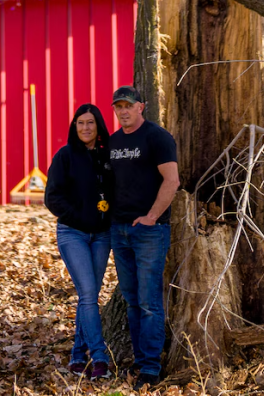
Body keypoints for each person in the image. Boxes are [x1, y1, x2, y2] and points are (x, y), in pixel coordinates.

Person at [108, 85, 179, 389]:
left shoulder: (157, 137)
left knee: (149, 301)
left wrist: (151, 217)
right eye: (118, 106)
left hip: (149, 231)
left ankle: (151, 368)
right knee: (132, 301)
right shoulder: (112, 143)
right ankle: (140, 360)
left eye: (128, 105)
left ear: (141, 106)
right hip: (119, 230)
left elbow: (172, 180)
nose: (123, 111)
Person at [45, 104, 114, 380]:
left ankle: (77, 356)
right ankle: (99, 358)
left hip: (102, 235)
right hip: (73, 233)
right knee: (88, 295)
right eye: (80, 123)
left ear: (98, 126)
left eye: (90, 123)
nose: (85, 128)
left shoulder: (108, 155)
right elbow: (53, 197)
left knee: (89, 298)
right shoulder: (65, 156)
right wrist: (80, 217)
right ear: (75, 126)